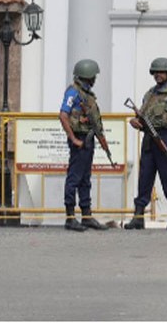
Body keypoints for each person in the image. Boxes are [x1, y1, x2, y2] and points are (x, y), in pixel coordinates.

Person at [124, 57, 167, 231]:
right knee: (145, 177)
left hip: (164, 138)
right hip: (148, 139)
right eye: (156, 72)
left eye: (161, 72)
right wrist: (135, 122)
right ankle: (138, 217)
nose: (158, 75)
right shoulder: (149, 95)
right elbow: (142, 117)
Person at [59, 59, 108, 232]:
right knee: (74, 177)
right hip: (79, 139)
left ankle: (86, 215)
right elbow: (63, 115)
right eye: (93, 76)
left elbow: (95, 122)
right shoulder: (74, 92)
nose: (95, 78)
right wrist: (73, 138)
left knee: (85, 179)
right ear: (88, 76)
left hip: (88, 139)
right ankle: (70, 217)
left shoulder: (87, 95)